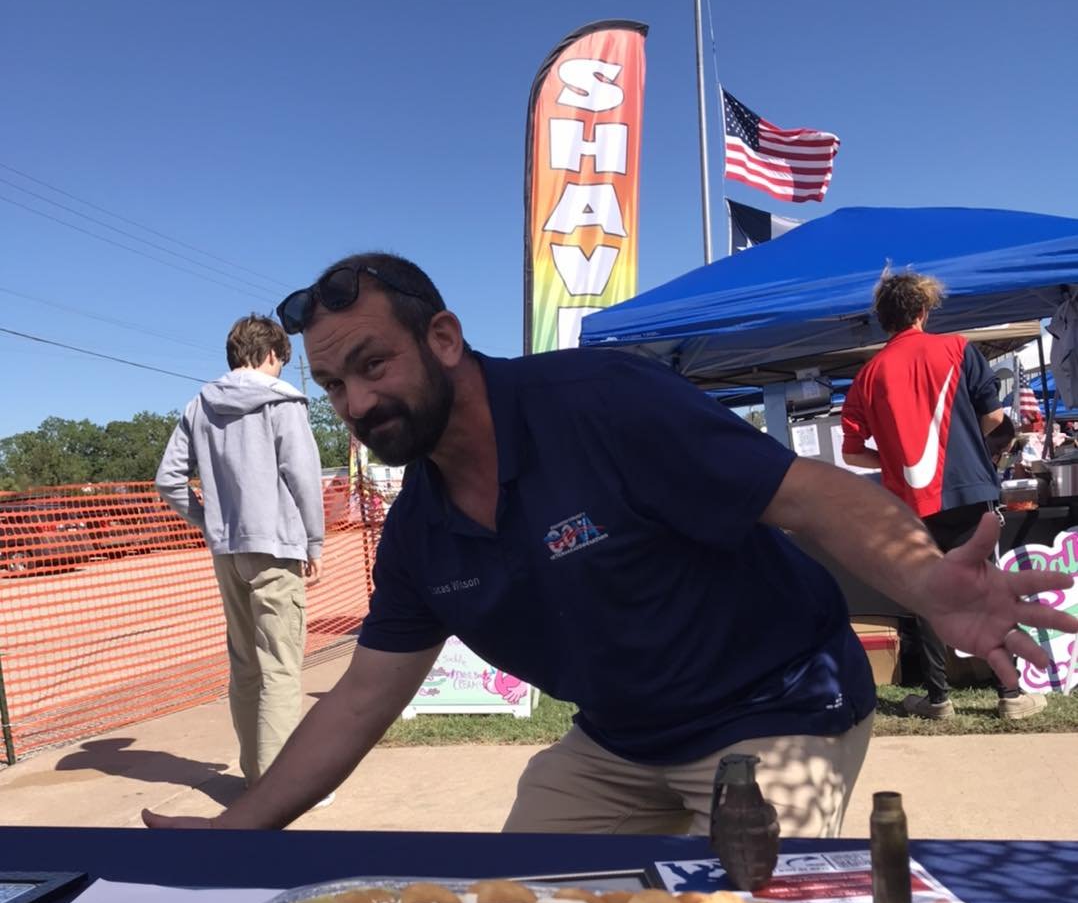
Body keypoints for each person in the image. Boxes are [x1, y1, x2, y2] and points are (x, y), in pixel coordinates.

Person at [143, 254, 1074, 836]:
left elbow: (812, 496)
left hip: (777, 704)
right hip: (619, 740)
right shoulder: (420, 532)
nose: (355, 402)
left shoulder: (601, 403)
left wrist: (928, 583)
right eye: (333, 385)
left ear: (444, 339)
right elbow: (357, 701)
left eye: (373, 364)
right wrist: (238, 829)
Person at [841, 270, 1044, 721]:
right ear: (923, 310)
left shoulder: (868, 375)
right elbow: (994, 420)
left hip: (910, 504)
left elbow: (851, 453)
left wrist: (892, 463)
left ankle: (939, 700)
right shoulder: (958, 349)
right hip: (970, 491)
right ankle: (1010, 695)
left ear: (883, 318)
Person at [155, 313, 331, 795]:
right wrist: (314, 541)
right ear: (272, 353)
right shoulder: (284, 402)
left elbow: (168, 479)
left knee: (246, 666)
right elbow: (302, 475)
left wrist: (209, 520)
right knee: (280, 666)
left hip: (227, 550)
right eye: (280, 361)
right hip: (276, 547)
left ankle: (256, 775)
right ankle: (280, 789)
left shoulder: (199, 405)